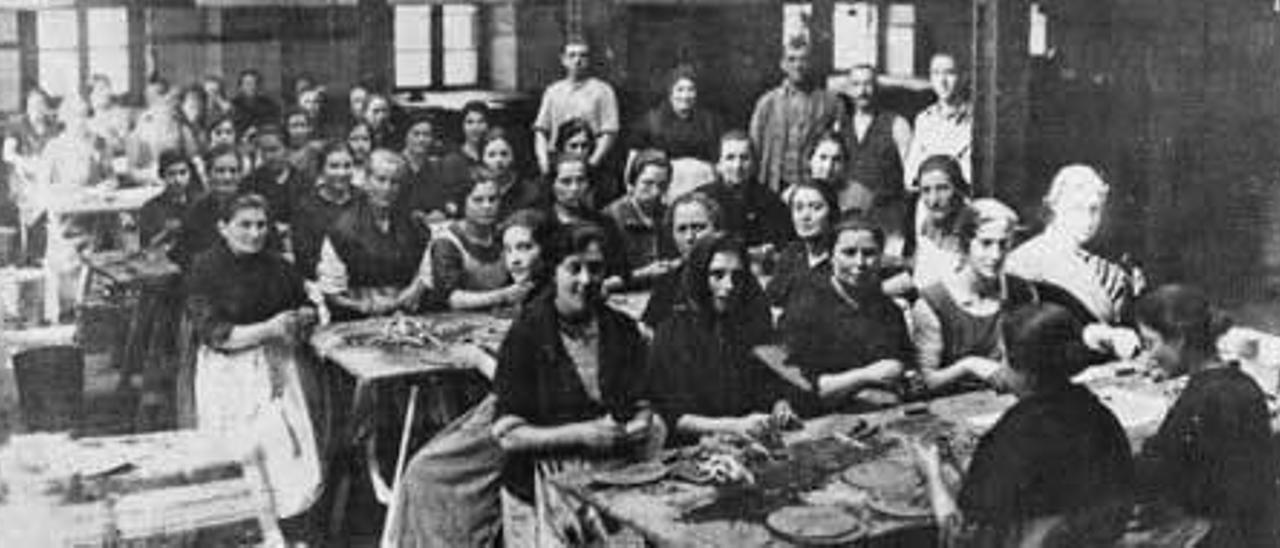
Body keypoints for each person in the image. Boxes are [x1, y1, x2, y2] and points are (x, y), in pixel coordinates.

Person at [383, 208, 555, 548]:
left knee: (424, 474)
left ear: (546, 249)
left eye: (525, 248)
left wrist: (479, 358)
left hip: (527, 419)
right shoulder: (534, 294)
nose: (515, 259)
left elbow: (535, 389)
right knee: (428, 459)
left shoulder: (549, 302)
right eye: (508, 250)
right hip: (507, 407)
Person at [492, 223, 663, 547]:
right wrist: (581, 434)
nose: (586, 280)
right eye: (574, 268)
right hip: (544, 478)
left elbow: (642, 401)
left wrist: (640, 423)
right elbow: (507, 435)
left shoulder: (622, 329)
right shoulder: (527, 334)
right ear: (553, 271)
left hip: (616, 472)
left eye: (596, 269)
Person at [914, 302, 1134, 547]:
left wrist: (932, 475)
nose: (1001, 366)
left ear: (1025, 372)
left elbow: (961, 540)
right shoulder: (1100, 416)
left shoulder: (1009, 437)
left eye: (1004, 357)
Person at [184, 192, 323, 529]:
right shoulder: (206, 268)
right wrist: (269, 328)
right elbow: (216, 333)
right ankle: (254, 528)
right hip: (228, 370)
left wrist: (306, 315)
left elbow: (307, 304)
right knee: (244, 453)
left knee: (286, 452)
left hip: (276, 365)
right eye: (244, 225)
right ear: (223, 227)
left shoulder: (278, 266)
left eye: (261, 225)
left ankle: (284, 525)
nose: (255, 233)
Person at [1134, 285, 1278, 547]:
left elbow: (1158, 474)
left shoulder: (1204, 399)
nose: (1147, 356)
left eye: (1150, 343)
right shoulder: (1242, 383)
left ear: (1179, 339)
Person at [649, 232, 799, 444]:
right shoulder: (672, 333)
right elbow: (673, 417)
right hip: (695, 449)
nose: (729, 286)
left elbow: (769, 385)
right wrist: (734, 426)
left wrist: (779, 406)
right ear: (700, 277)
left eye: (737, 276)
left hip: (751, 442)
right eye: (717, 275)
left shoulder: (750, 326)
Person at [1006, 164, 1143, 359]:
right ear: (1054, 206)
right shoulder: (1025, 260)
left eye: (1094, 209)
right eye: (1077, 208)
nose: (1087, 219)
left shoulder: (1105, 262)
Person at [909, 199, 1039, 397]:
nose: (995, 255)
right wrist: (969, 366)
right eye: (985, 243)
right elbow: (925, 382)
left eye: (1003, 244)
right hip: (953, 409)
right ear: (964, 244)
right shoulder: (934, 302)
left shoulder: (1021, 292)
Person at [782, 216, 911, 415]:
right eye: (849, 253)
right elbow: (801, 389)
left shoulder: (888, 310)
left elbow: (901, 368)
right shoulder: (806, 308)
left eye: (869, 253)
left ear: (881, 258)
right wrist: (866, 376)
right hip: (823, 420)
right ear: (831, 256)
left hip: (884, 414)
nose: (860, 263)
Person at [315, 149, 428, 320]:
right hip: (358, 318)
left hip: (406, 313)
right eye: (381, 180)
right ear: (366, 181)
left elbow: (426, 269)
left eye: (394, 182)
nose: (387, 188)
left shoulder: (413, 223)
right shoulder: (342, 230)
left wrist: (415, 288)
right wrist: (364, 305)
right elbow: (331, 293)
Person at [415, 175, 533, 311]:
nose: (487, 206)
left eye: (493, 199)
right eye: (478, 200)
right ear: (463, 203)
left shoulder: (504, 235)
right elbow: (450, 298)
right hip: (453, 320)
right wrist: (502, 295)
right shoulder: (446, 242)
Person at [749, 37, 846, 193]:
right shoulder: (767, 103)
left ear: (812, 63)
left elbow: (840, 148)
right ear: (783, 64)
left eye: (804, 59)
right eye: (792, 59)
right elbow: (754, 149)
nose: (798, 65)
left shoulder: (831, 103)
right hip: (775, 186)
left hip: (816, 187)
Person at [639, 191, 730, 329]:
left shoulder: (734, 277)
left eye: (698, 228)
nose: (689, 238)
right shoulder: (668, 282)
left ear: (717, 230)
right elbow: (649, 328)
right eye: (681, 229)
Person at [533, 39, 620, 178]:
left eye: (583, 55)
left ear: (589, 60)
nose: (577, 60)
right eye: (572, 55)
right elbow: (541, 131)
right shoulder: (553, 91)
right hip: (558, 162)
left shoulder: (603, 90)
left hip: (591, 160)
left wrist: (592, 163)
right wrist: (544, 162)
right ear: (563, 60)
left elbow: (609, 132)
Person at [697, 131, 790, 251]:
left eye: (744, 158)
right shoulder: (702, 200)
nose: (737, 166)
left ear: (754, 164)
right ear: (718, 165)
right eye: (730, 158)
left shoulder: (771, 201)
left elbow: (782, 243)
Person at [544, 153, 629, 284]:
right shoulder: (541, 224)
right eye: (566, 181)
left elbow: (621, 271)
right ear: (552, 184)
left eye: (580, 180)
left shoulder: (605, 223)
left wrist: (606, 282)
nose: (574, 188)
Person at [841, 64, 911, 219]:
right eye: (856, 84)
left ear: (877, 88)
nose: (862, 91)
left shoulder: (897, 124)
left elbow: (909, 177)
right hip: (849, 213)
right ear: (848, 90)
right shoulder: (841, 127)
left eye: (868, 84)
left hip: (887, 212)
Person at [602, 149, 676, 287]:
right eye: (647, 183)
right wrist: (643, 274)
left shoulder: (670, 214)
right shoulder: (610, 218)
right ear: (632, 183)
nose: (656, 192)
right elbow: (602, 279)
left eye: (662, 185)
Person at [290, 141, 360, 279]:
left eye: (347, 166)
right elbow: (304, 259)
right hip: (321, 280)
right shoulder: (305, 206)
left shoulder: (363, 199)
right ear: (322, 169)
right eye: (334, 166)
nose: (342, 172)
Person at [904, 53, 973, 186]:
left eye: (950, 73)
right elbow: (910, 175)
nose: (942, 81)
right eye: (936, 73)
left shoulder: (975, 120)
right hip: (928, 196)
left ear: (964, 77)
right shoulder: (924, 119)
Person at [902, 154, 970, 289]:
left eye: (943, 189)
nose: (933, 200)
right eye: (926, 190)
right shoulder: (926, 223)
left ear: (959, 189)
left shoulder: (973, 231)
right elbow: (918, 276)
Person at [629, 65, 722, 163]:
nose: (685, 96)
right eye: (680, 90)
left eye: (691, 89)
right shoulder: (652, 121)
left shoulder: (708, 121)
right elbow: (634, 155)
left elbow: (716, 157)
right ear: (670, 93)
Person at [767, 180, 837, 307]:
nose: (805, 216)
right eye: (798, 208)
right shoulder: (791, 253)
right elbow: (773, 299)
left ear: (832, 213)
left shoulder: (841, 257)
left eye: (816, 208)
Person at [400, 112, 470, 222]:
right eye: (416, 134)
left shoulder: (438, 168)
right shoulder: (394, 165)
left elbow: (448, 202)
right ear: (406, 136)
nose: (421, 139)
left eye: (426, 135)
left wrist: (443, 212)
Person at [242, 124, 307, 224]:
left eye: (274, 150)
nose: (268, 156)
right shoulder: (250, 183)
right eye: (263, 150)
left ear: (287, 149)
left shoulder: (304, 182)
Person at [476, 129, 543, 218]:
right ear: (482, 159)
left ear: (513, 157)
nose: (499, 160)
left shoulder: (529, 190)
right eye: (492, 155)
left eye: (504, 154)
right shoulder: (472, 189)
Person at [803, 129, 870, 214]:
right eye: (823, 158)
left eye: (836, 160)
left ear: (845, 164)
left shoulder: (860, 196)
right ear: (810, 159)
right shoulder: (794, 195)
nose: (828, 166)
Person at [86, 74, 133, 160]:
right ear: (91, 96)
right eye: (100, 89)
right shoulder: (88, 122)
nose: (106, 93)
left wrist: (113, 138)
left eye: (107, 88)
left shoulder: (120, 114)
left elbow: (122, 147)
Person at [460, 100, 492, 165]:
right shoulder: (455, 159)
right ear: (462, 125)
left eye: (481, 121)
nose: (475, 127)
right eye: (470, 122)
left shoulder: (497, 155)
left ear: (488, 125)